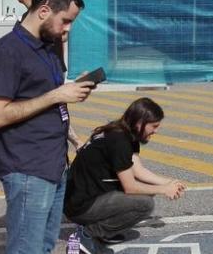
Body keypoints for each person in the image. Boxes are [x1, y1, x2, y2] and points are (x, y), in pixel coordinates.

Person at [0, 0, 95, 254]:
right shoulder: (7, 51)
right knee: (28, 249)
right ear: (44, 11)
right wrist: (57, 95)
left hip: (53, 164)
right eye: (65, 21)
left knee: (44, 246)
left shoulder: (47, 48)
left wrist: (70, 95)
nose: (67, 29)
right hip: (27, 168)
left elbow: (48, 100)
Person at [65, 97, 186, 254]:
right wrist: (163, 189)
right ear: (139, 123)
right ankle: (88, 234)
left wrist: (170, 182)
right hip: (80, 206)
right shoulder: (119, 141)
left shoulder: (123, 132)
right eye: (154, 126)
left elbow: (137, 170)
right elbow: (130, 187)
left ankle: (103, 233)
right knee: (144, 203)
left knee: (147, 191)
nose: (156, 131)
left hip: (83, 197)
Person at [13, 0, 81, 150]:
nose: (66, 27)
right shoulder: (39, 16)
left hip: (48, 67)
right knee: (57, 106)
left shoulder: (33, 19)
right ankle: (73, 141)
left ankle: (73, 141)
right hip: (56, 64)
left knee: (54, 105)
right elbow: (64, 38)